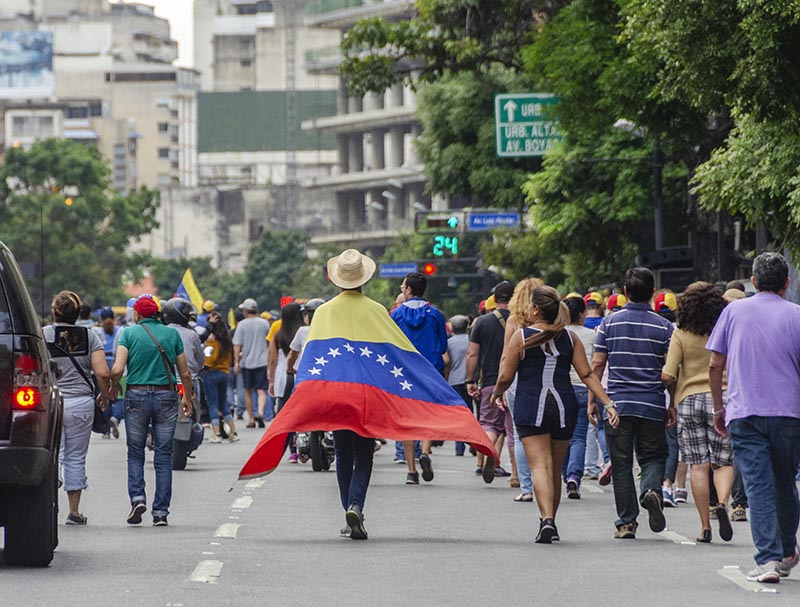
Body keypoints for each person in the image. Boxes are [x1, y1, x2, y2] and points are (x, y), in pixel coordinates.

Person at [238, 249, 499, 540]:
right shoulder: (376, 310)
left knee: (342, 453)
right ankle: (356, 505)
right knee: (363, 456)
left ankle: (348, 512)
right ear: (364, 280)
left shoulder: (323, 312)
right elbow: (400, 354)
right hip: (366, 396)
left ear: (337, 281)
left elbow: (312, 358)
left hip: (334, 391)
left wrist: (304, 390)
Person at [490, 285, 616, 543]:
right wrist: (608, 403)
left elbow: (505, 375)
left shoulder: (522, 337)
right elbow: (588, 374)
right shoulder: (570, 338)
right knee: (555, 468)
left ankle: (546, 519)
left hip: (530, 405)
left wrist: (497, 393)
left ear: (536, 309)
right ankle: (552, 520)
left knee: (540, 467)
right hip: (563, 407)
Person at [707, 252, 800, 583]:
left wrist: (719, 408)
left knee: (759, 486)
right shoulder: (797, 315)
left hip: (744, 413)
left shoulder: (733, 311)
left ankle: (768, 560)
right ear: (787, 284)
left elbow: (715, 364)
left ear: (754, 282)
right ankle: (788, 551)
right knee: (785, 482)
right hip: (789, 414)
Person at [588, 267, 674, 540]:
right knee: (653, 456)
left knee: (621, 462)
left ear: (625, 293)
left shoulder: (608, 324)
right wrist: (671, 405)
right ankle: (651, 490)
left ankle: (626, 523)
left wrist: (595, 401)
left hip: (618, 406)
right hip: (651, 404)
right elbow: (671, 371)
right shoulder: (664, 326)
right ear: (652, 294)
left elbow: (598, 365)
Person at [110, 294, 193, 527]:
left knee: (135, 453)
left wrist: (113, 387)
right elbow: (184, 372)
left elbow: (117, 368)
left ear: (137, 314)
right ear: (158, 314)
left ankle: (137, 499)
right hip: (167, 396)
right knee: (164, 455)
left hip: (135, 396)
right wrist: (187, 397)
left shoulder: (128, 333)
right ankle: (160, 513)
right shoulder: (172, 334)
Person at [662, 282, 734, 543]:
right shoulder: (725, 328)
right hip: (723, 398)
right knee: (723, 461)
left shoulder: (680, 332)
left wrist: (671, 392)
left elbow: (668, 373)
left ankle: (705, 526)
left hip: (689, 400)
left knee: (698, 465)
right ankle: (723, 503)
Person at [44, 291, 110, 525]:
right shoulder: (90, 336)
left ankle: (49, 500)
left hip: (52, 402)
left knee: (53, 455)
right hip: (81, 403)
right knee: (75, 457)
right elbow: (102, 372)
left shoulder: (44, 335)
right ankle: (73, 511)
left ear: (54, 312)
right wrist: (105, 395)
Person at [390, 272, 448, 484]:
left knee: (407, 420)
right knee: (429, 415)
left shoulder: (395, 315)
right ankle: (425, 451)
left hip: (403, 373)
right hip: (430, 371)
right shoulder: (435, 314)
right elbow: (442, 346)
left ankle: (412, 471)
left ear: (408, 290)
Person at [467, 281, 517, 481]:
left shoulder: (481, 322)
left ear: (494, 299)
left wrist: (470, 380)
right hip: (514, 381)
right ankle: (517, 475)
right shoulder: (521, 322)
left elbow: (472, 354)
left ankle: (488, 455)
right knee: (514, 430)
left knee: (489, 424)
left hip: (490, 381)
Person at [504, 278, 543, 502]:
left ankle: (527, 487)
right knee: (544, 435)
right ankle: (546, 482)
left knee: (520, 434)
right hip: (545, 379)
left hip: (518, 381)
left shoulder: (513, 322)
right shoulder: (552, 322)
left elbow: (506, 356)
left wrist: (501, 386)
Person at [562, 295, 597, 499]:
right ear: (583, 314)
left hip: (563, 389)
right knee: (578, 437)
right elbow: (595, 366)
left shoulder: (560, 334)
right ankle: (574, 475)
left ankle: (566, 474)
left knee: (563, 436)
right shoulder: (591, 335)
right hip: (585, 388)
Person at [268, 302, 305, 462]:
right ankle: (306, 442)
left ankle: (292, 450)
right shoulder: (305, 332)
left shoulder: (278, 334)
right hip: (303, 373)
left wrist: (271, 380)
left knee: (285, 413)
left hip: (283, 376)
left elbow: (272, 360)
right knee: (303, 411)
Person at [232, 297, 271, 428]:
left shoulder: (242, 325)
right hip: (262, 361)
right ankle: (260, 412)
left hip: (246, 362)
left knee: (248, 391)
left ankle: (251, 419)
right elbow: (269, 342)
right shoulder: (264, 323)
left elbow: (237, 344)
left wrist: (236, 362)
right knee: (261, 391)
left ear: (245, 311)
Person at [204, 310, 238, 443]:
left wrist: (203, 367)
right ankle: (233, 432)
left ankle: (216, 434)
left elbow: (210, 358)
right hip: (224, 373)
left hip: (212, 373)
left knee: (213, 405)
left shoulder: (212, 340)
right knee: (223, 404)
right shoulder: (227, 339)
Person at [95, 307, 123, 439]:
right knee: (118, 398)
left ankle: (106, 430)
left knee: (105, 396)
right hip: (118, 365)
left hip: (103, 365)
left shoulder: (97, 331)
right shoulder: (120, 331)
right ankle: (115, 417)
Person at [445, 315, 471, 456]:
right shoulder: (471, 341)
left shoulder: (449, 343)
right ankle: (475, 442)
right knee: (473, 413)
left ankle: (459, 447)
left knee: (459, 414)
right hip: (471, 380)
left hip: (454, 381)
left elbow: (447, 363)